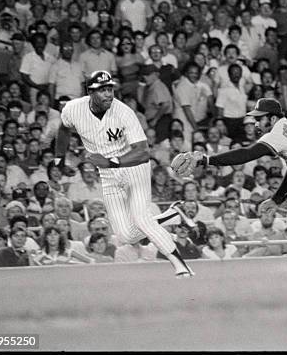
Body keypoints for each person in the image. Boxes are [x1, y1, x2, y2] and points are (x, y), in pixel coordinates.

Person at [172, 98, 287, 270]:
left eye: (259, 118)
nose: (255, 123)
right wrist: (277, 200)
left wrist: (206, 159)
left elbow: (246, 154)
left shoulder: (279, 132)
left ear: (272, 119)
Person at [55, 70, 194, 277]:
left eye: (110, 88)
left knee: (141, 219)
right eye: (102, 90)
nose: (108, 94)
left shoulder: (124, 112)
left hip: (134, 169)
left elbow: (143, 152)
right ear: (90, 92)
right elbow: (63, 130)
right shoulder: (73, 109)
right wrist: (59, 159)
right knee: (126, 236)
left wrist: (111, 162)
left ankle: (182, 267)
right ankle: (171, 216)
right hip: (109, 174)